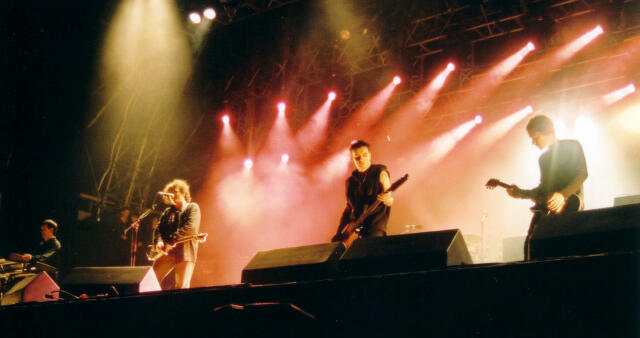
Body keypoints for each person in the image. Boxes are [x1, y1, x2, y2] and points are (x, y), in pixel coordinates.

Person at [504, 115, 588, 260]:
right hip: (547, 212)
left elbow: (582, 173)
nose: (533, 142)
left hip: (570, 207)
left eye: (535, 137)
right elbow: (543, 190)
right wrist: (520, 193)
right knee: (530, 245)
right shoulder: (543, 159)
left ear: (546, 131)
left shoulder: (572, 145)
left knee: (566, 252)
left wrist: (563, 195)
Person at [332, 140, 394, 244]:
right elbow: (348, 208)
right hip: (356, 229)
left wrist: (388, 199)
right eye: (357, 157)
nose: (361, 159)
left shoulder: (380, 172)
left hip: (375, 228)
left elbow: (389, 196)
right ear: (352, 159)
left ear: (369, 155)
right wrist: (339, 231)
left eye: (364, 155)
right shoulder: (350, 182)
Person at [152, 179, 201, 289]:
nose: (172, 194)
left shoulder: (192, 207)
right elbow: (159, 229)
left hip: (185, 252)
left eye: (175, 191)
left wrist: (170, 240)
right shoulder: (167, 212)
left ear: (183, 192)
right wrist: (159, 241)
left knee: (181, 287)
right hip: (167, 252)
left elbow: (190, 228)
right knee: (150, 280)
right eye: (170, 192)